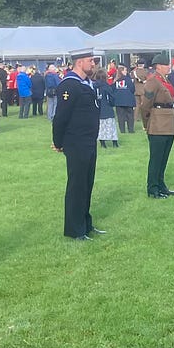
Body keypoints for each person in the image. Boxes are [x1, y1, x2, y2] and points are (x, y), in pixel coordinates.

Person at [51, 50, 103, 239]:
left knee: (87, 184)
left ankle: (85, 224)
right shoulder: (70, 85)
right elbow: (60, 117)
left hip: (88, 141)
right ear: (80, 62)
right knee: (77, 186)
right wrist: (58, 142)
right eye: (90, 61)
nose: (93, 64)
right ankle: (74, 230)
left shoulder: (87, 83)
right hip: (76, 142)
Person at [139, 54, 174, 198]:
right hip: (157, 123)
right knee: (156, 158)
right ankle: (153, 188)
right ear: (158, 66)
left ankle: (161, 185)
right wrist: (147, 123)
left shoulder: (165, 80)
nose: (168, 66)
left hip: (168, 121)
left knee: (164, 157)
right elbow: (145, 105)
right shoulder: (153, 81)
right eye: (165, 64)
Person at [94, 67, 119, 149]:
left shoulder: (94, 87)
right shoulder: (107, 87)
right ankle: (114, 143)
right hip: (108, 109)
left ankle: (103, 143)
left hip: (98, 110)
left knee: (101, 127)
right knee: (111, 127)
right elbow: (111, 98)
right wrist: (112, 104)